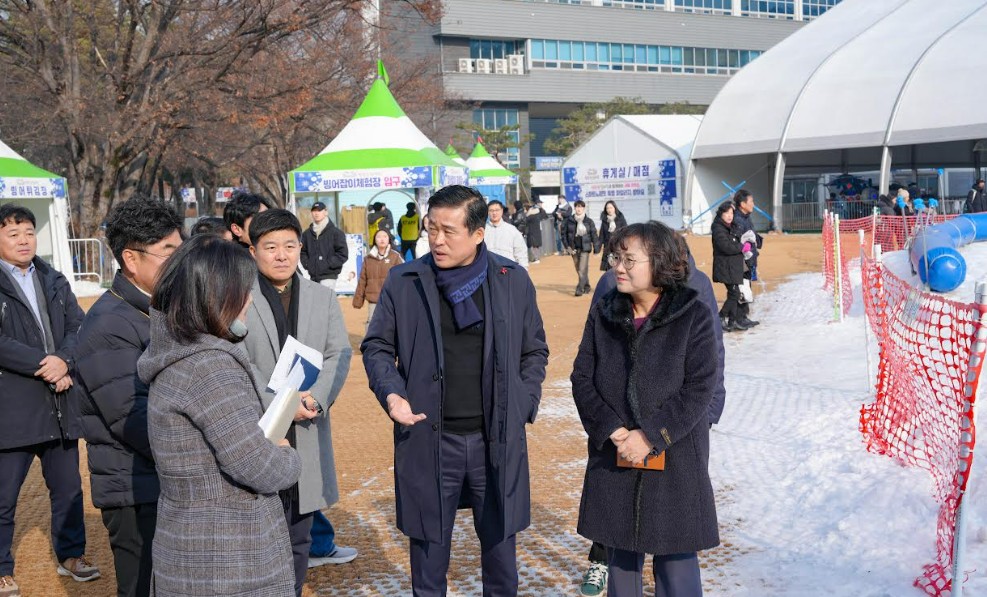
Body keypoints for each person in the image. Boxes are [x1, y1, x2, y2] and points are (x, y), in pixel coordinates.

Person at [362, 185, 548, 597]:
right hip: (428, 436)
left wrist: (523, 401)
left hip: (495, 437)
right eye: (431, 229)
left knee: (501, 558)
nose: (437, 240)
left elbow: (534, 349)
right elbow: (376, 346)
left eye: (449, 231)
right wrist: (392, 395)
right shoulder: (405, 280)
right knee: (428, 558)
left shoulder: (511, 280)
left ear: (478, 233)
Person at [137, 234, 301, 596]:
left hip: (187, 547)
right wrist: (286, 455)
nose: (250, 299)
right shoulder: (209, 367)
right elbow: (256, 464)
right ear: (218, 294)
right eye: (244, 289)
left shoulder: (177, 352)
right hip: (230, 559)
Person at [572, 222, 718, 597]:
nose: (618, 267)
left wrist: (652, 435)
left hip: (676, 456)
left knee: (677, 565)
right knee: (621, 563)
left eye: (629, 259)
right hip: (614, 455)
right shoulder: (604, 314)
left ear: (660, 263)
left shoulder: (693, 314)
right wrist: (615, 431)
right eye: (615, 257)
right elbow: (582, 378)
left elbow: (700, 387)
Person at [242, 209, 355, 595]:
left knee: (299, 533)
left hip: (307, 424)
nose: (281, 255)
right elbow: (236, 358)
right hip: (258, 427)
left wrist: (318, 399)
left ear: (300, 248)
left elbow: (338, 353)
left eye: (290, 246)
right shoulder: (238, 296)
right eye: (270, 246)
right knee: (258, 531)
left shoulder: (322, 298)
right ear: (252, 249)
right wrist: (280, 402)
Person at [75, 197, 183, 597]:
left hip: (165, 479)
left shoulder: (159, 309)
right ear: (131, 260)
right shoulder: (108, 325)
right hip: (136, 491)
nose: (177, 261)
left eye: (179, 249)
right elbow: (133, 419)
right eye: (167, 252)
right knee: (142, 587)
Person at [0, 205, 100, 597]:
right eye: (12, 234)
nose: (23, 240)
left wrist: (66, 360)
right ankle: (2, 568)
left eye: (28, 231)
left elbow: (79, 325)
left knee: (69, 489)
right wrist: (47, 364)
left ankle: (72, 554)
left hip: (60, 400)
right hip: (14, 405)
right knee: (4, 496)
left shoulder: (52, 277)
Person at [353, 229, 404, 331]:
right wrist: (358, 300)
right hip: (373, 299)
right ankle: (369, 345)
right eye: (379, 237)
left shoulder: (396, 257)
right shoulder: (368, 259)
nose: (382, 239)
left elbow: (403, 278)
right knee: (372, 323)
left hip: (391, 299)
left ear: (389, 239)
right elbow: (363, 280)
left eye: (385, 236)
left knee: (392, 323)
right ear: (374, 240)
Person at [711, 202, 750, 333]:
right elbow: (725, 246)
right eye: (726, 213)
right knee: (734, 294)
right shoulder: (718, 228)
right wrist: (741, 247)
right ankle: (720, 317)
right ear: (721, 214)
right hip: (725, 267)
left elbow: (736, 240)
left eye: (731, 213)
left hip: (733, 266)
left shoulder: (731, 226)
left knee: (734, 293)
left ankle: (732, 321)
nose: (729, 216)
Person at [300, 201, 348, 291]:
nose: (316, 213)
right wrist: (308, 264)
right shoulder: (306, 234)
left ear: (326, 212)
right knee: (315, 303)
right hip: (313, 277)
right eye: (314, 211)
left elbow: (343, 254)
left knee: (324, 302)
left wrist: (327, 264)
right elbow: (302, 252)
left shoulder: (336, 233)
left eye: (319, 210)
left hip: (329, 276)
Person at [731, 189, 761, 328]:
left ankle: (743, 316)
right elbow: (738, 242)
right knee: (741, 288)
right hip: (741, 260)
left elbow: (752, 235)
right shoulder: (737, 220)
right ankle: (737, 319)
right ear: (743, 204)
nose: (753, 204)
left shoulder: (746, 217)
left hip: (749, 259)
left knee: (746, 287)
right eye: (751, 202)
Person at [563, 200, 600, 297]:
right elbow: (564, 235)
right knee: (579, 269)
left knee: (582, 269)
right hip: (573, 249)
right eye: (577, 207)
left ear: (584, 208)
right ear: (574, 208)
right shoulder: (569, 221)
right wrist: (567, 247)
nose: (579, 209)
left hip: (585, 248)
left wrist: (596, 249)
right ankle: (587, 285)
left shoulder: (589, 221)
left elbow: (594, 235)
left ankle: (579, 288)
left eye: (581, 207)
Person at [484, 199, 529, 269]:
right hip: (487, 270)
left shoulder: (512, 230)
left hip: (508, 271)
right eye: (491, 210)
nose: (494, 213)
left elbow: (521, 252)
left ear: (502, 211)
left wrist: (524, 270)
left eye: (497, 210)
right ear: (488, 212)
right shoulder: (482, 231)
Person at [598, 201, 627, 272]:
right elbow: (602, 235)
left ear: (615, 208)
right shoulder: (604, 220)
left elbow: (625, 232)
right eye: (607, 208)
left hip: (618, 246)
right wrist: (597, 249)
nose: (609, 210)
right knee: (609, 267)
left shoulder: (620, 218)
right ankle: (611, 282)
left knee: (617, 266)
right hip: (608, 247)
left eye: (611, 208)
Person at [525, 199, 549, 264]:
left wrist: (527, 214)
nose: (541, 204)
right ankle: (536, 258)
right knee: (535, 245)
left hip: (533, 230)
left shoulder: (534, 212)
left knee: (534, 245)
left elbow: (526, 219)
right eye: (540, 203)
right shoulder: (538, 211)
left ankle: (536, 258)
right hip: (536, 229)